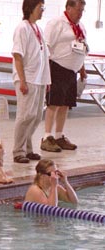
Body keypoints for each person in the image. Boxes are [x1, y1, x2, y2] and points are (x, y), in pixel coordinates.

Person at [40, 0, 88, 152]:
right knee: (53, 103)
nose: (80, 14)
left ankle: (59, 136)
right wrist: (45, 71)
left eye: (82, 11)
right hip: (57, 67)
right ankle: (47, 136)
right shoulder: (56, 23)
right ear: (68, 8)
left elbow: (81, 49)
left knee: (65, 104)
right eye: (78, 10)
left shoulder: (80, 26)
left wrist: (82, 68)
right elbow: (46, 47)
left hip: (71, 71)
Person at [12, 0, 51, 164]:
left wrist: (47, 80)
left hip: (39, 78)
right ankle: (18, 151)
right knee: (25, 115)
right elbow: (17, 55)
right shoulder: (22, 28)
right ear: (30, 8)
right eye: (40, 8)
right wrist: (22, 80)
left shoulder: (38, 29)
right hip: (27, 77)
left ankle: (28, 148)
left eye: (43, 8)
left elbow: (44, 56)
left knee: (35, 116)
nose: (42, 11)